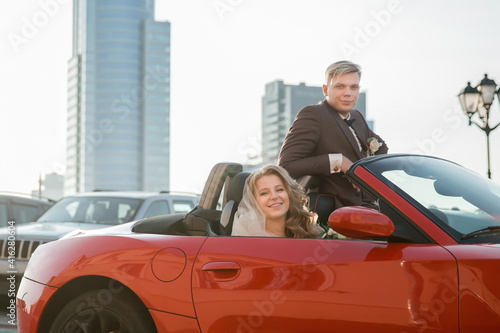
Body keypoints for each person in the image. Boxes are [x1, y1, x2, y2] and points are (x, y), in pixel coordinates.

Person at [278, 60, 388, 213]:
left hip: (373, 208)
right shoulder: (314, 114)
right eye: (340, 86)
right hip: (337, 214)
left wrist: (367, 172)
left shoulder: (357, 116)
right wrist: (339, 161)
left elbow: (381, 148)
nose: (348, 93)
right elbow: (286, 166)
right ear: (325, 90)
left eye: (353, 87)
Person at [231, 165, 322, 238]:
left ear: (290, 194)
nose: (274, 197)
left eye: (279, 190)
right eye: (264, 193)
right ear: (254, 201)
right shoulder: (249, 240)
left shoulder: (306, 232)